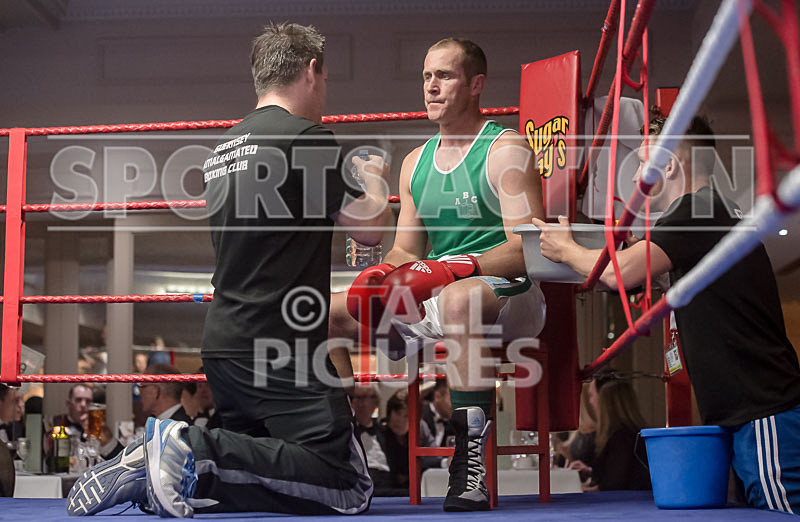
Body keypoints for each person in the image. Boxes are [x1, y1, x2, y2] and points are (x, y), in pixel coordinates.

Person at [68, 22, 390, 517]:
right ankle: (189, 447)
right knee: (346, 485)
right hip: (282, 345)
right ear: (310, 71)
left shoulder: (223, 148)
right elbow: (369, 229)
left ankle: (158, 462)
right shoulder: (306, 139)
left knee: (252, 476)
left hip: (224, 340)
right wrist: (370, 175)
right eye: (324, 80)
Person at [536, 114, 800, 514]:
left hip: (764, 412)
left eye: (644, 164)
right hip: (749, 413)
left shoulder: (699, 211)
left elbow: (617, 272)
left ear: (670, 165)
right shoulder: (709, 215)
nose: (639, 177)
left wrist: (564, 249)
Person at [329, 37, 545, 511]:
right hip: (442, 290)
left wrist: (455, 266)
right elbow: (408, 247)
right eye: (426, 76)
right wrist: (383, 276)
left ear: (476, 85)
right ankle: (343, 454)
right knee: (330, 313)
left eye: (444, 76)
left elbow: (528, 249)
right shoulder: (414, 163)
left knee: (459, 299)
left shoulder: (506, 150)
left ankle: (471, 466)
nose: (430, 86)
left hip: (512, 295)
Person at [568, 374, 650, 491]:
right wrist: (591, 471)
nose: (590, 401)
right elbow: (622, 473)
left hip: (630, 503)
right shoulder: (625, 432)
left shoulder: (621, 436)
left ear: (604, 399)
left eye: (592, 395)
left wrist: (576, 489)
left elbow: (614, 484)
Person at [53, 384, 123, 460]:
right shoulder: (57, 424)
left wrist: (107, 441)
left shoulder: (98, 428)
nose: (83, 404)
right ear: (68, 404)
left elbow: (120, 459)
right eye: (78, 400)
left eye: (88, 401)